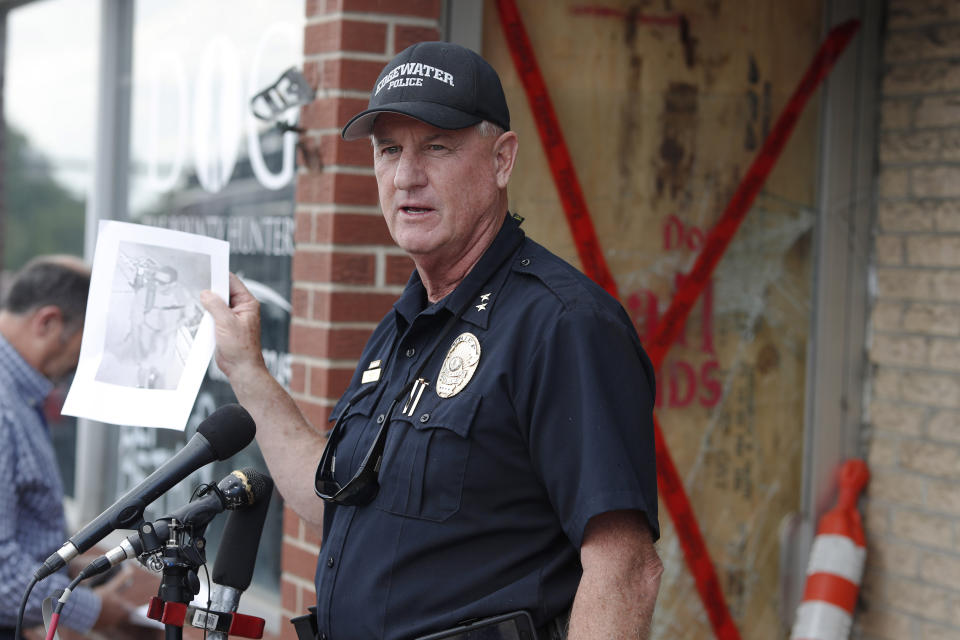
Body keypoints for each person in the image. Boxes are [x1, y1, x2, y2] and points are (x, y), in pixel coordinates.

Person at [202, 41, 662, 640]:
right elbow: (335, 502)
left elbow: (625, 568)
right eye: (389, 150)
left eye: (437, 147)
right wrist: (247, 370)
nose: (406, 176)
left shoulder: (562, 325)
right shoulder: (408, 325)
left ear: (502, 160)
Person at [0, 256, 133, 639]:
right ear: (48, 322)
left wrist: (73, 566)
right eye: (88, 341)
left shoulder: (19, 395)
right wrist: (91, 610)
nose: (88, 359)